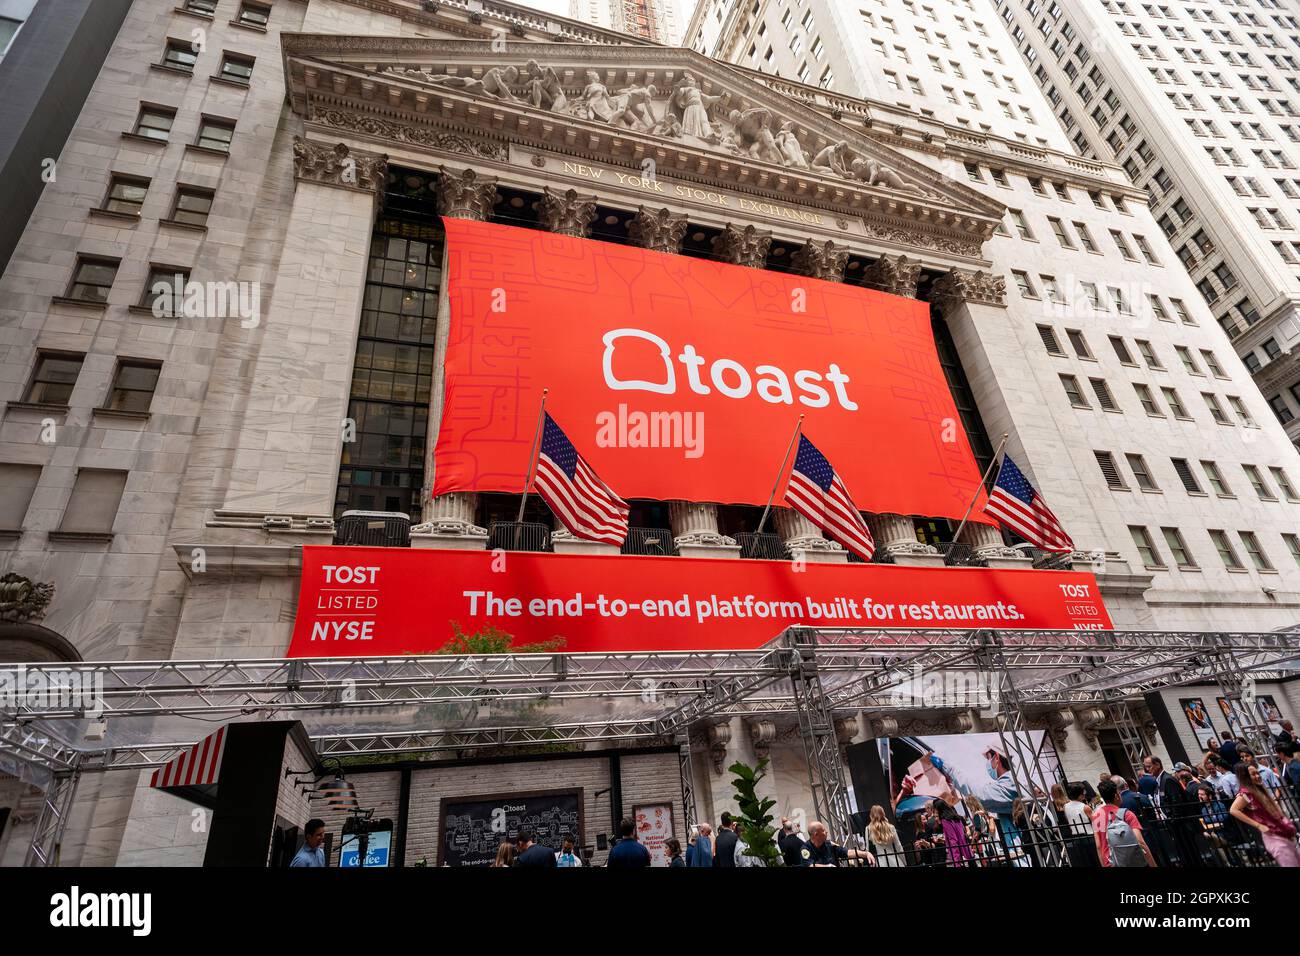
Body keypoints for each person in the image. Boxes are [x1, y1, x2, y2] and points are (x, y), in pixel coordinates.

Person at [1229, 761, 1300, 866]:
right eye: (1253, 774)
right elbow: (1233, 810)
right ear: (1246, 777)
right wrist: (1259, 825)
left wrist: (1285, 822)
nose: (1258, 776)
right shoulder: (1246, 793)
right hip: (1274, 835)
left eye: (1257, 773)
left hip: (1284, 831)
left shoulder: (1259, 789)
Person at [797, 820, 876, 867]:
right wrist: (828, 866)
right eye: (824, 830)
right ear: (816, 835)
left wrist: (866, 854)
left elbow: (847, 852)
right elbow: (810, 865)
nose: (826, 832)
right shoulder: (805, 849)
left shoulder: (829, 845)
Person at [935, 795, 974, 867]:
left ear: (939, 809)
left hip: (958, 854)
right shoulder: (957, 818)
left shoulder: (945, 820)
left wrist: (956, 861)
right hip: (966, 850)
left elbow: (953, 839)